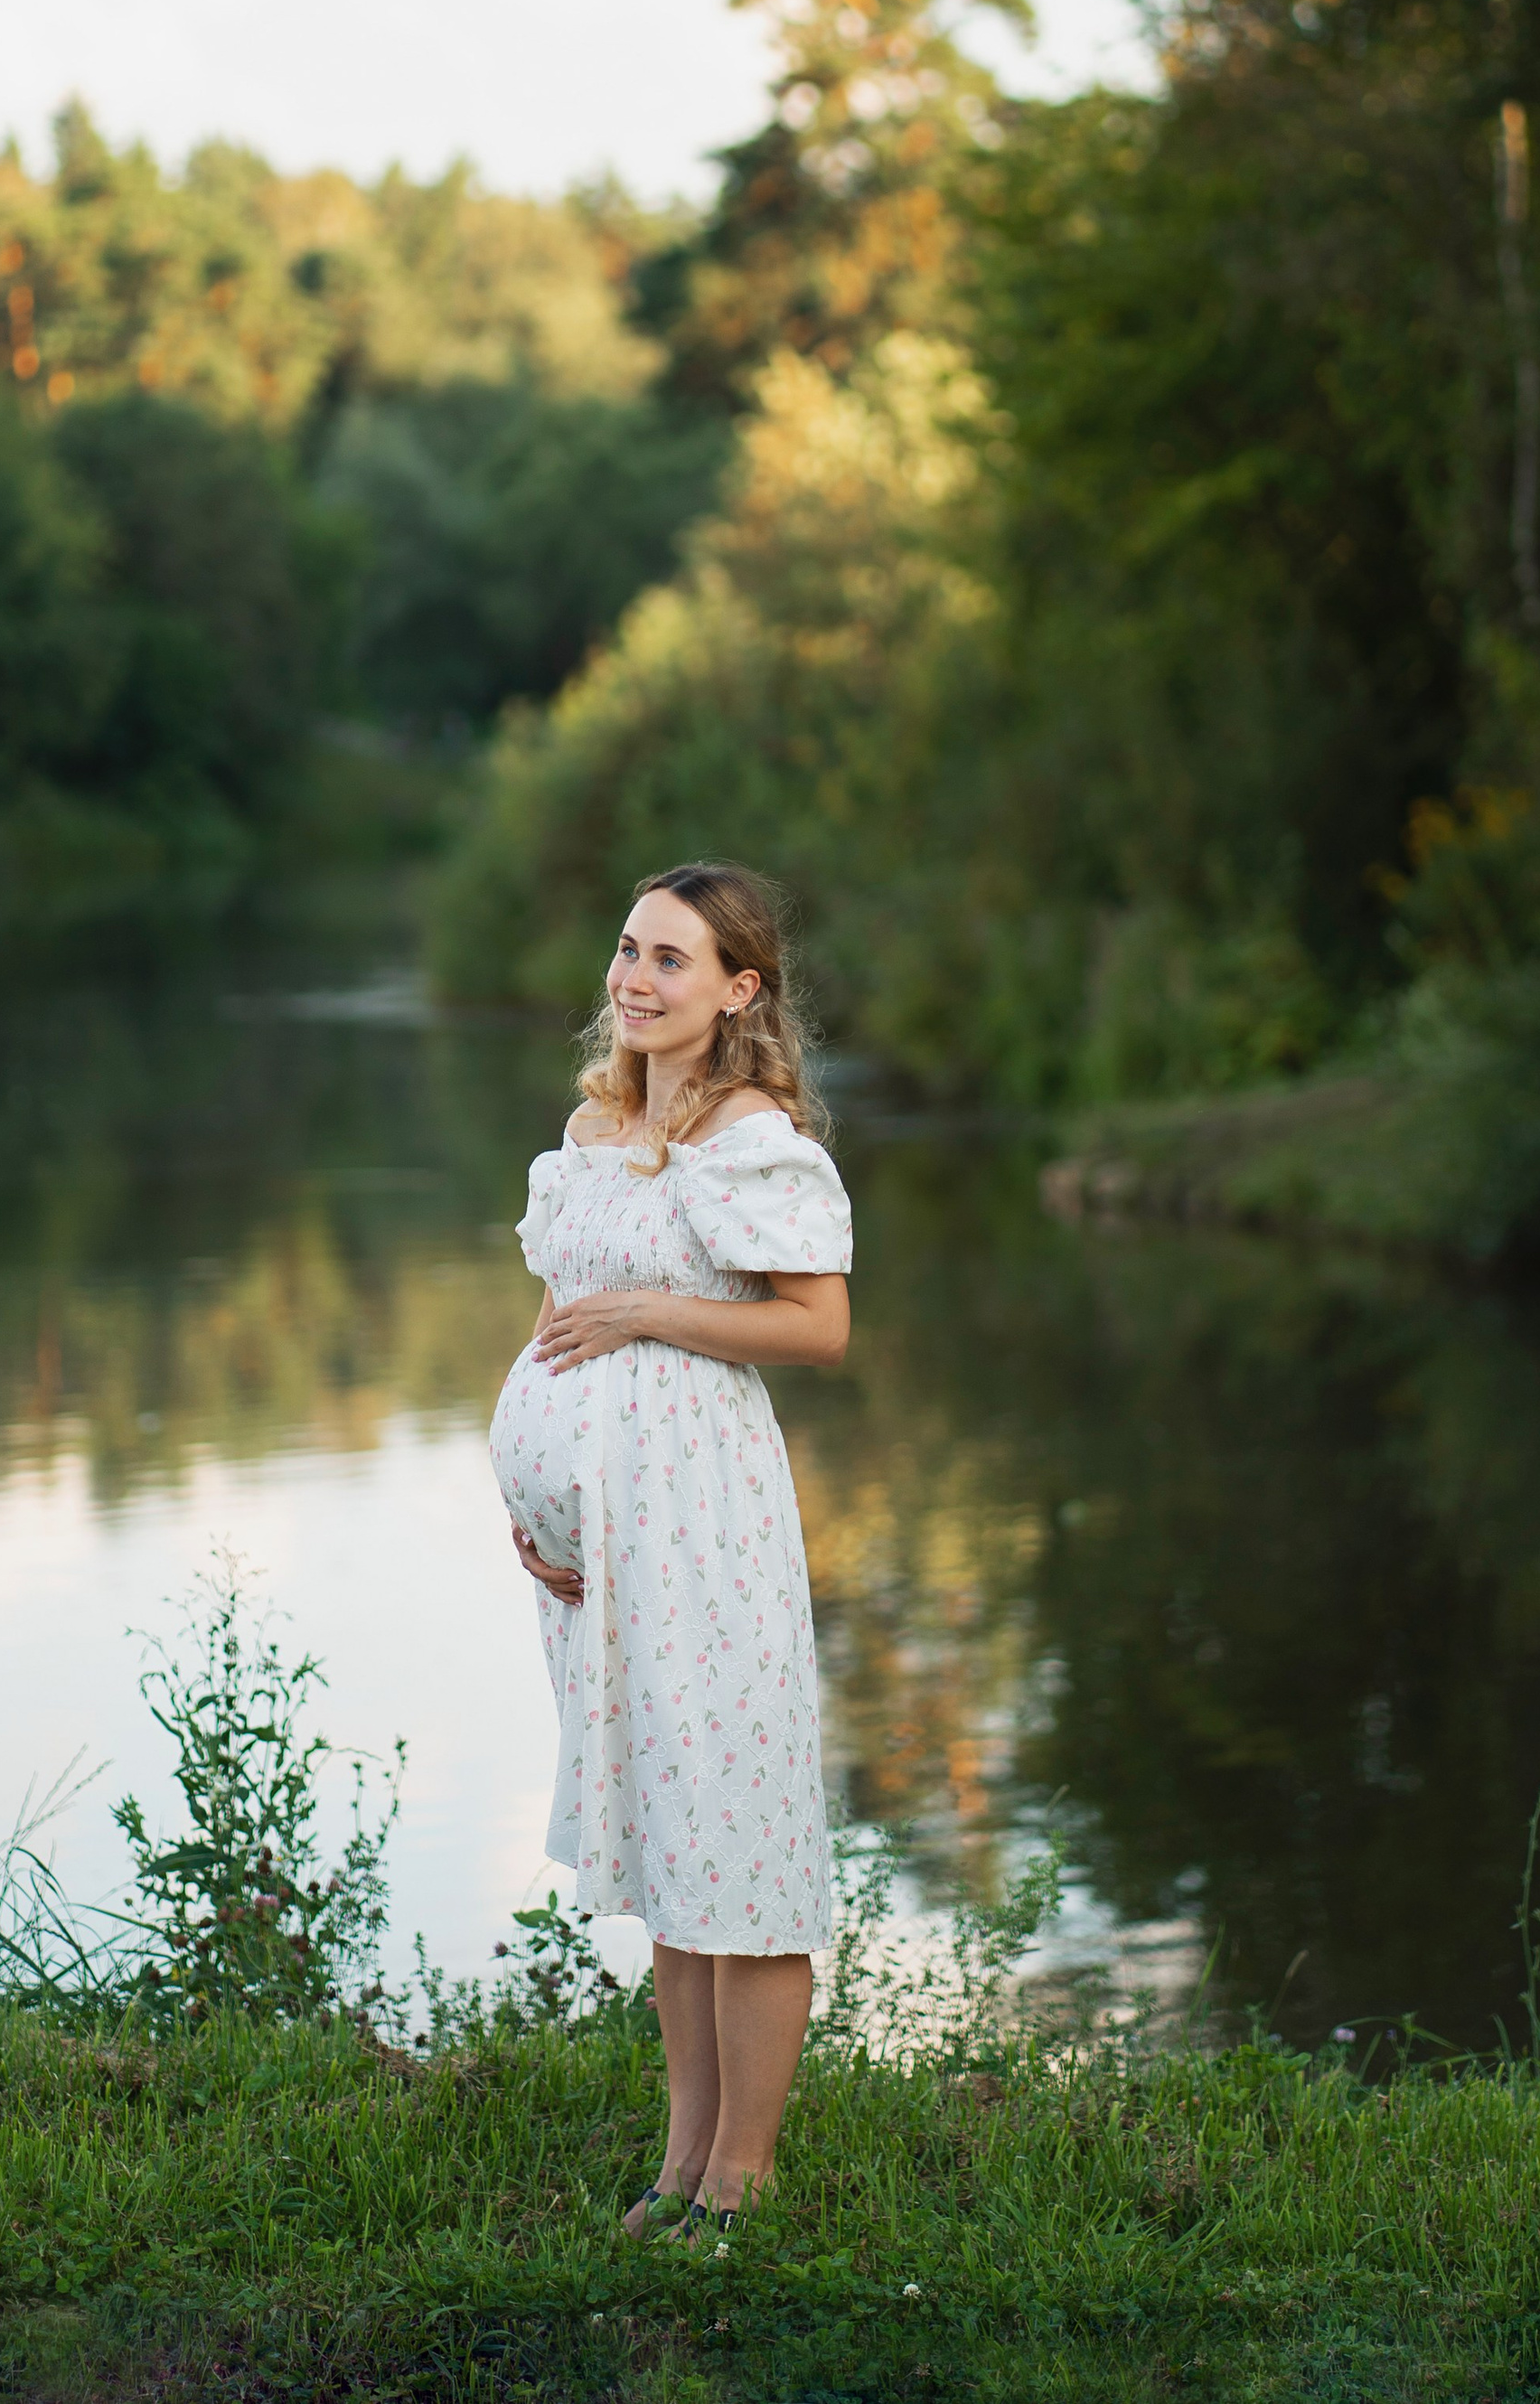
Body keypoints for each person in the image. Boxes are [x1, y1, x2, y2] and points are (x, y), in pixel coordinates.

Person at [488, 860, 851, 2244]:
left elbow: (817, 1327)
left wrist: (650, 1310)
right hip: (599, 1561)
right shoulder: (593, 1130)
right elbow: (551, 1325)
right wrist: (535, 1511)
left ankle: (743, 2179)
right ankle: (682, 2163)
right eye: (629, 951)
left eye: (671, 960)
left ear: (738, 989)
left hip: (704, 1533)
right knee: (671, 1853)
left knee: (739, 1848)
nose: (634, 980)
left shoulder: (750, 1137)